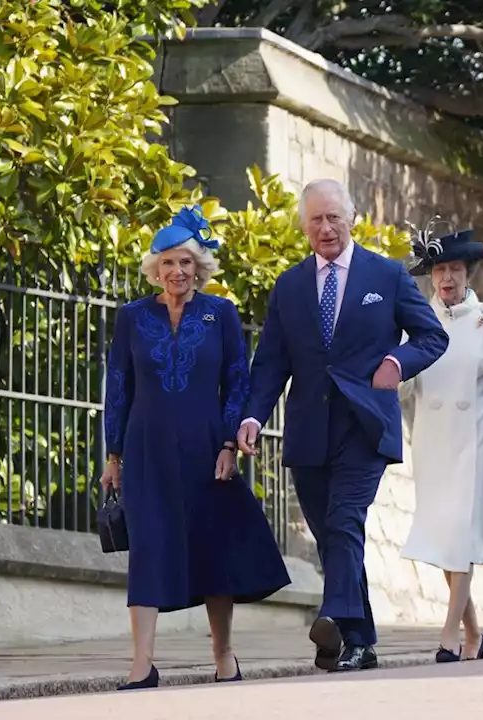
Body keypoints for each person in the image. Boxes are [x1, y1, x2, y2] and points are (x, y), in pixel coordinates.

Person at [236, 179, 449, 671]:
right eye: (316, 219)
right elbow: (270, 363)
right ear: (304, 226)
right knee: (333, 538)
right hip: (309, 429)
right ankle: (361, 641)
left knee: (344, 521)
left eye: (334, 217)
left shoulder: (387, 274)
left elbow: (431, 336)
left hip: (365, 425)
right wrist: (252, 415)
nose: (326, 228)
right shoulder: (289, 286)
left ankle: (332, 617)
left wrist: (397, 361)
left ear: (351, 217)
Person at [101, 207, 291, 690]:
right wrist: (114, 455)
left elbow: (237, 380)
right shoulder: (131, 317)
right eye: (168, 263)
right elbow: (118, 387)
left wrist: (230, 442)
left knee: (212, 547)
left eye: (186, 262)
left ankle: (223, 654)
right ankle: (142, 664)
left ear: (199, 267)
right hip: (146, 450)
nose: (177, 272)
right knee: (147, 548)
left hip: (208, 447)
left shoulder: (220, 313)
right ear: (155, 269)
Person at [399, 227, 483, 662]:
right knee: (443, 541)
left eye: (455, 268)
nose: (447, 278)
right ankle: (474, 633)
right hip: (431, 440)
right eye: (440, 269)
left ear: (468, 272)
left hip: (474, 440)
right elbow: (402, 383)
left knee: (461, 533)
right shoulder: (418, 319)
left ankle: (448, 634)